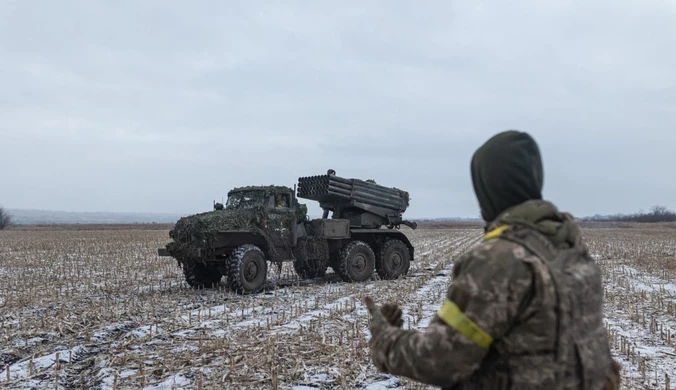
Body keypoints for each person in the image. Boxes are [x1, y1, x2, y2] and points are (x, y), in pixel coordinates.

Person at [364, 130, 621, 389]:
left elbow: (441, 359)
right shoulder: (570, 249)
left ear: (488, 189)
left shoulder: (498, 261)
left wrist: (386, 339)